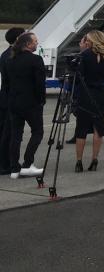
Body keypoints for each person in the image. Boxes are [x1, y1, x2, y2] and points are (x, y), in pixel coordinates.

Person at [5, 32, 45, 179]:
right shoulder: (35, 60)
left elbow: (7, 84)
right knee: (37, 132)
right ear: (28, 44)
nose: (37, 43)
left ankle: (14, 168)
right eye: (35, 41)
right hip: (31, 103)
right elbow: (40, 84)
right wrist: (41, 100)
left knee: (16, 135)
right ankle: (28, 164)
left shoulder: (10, 60)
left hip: (14, 102)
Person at [74, 30, 104, 173]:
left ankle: (79, 161)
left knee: (81, 128)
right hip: (100, 93)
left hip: (86, 93)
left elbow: (79, 76)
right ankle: (94, 159)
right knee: (99, 127)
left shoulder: (84, 55)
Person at [0, 27, 24, 175]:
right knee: (8, 133)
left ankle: (6, 162)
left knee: (6, 132)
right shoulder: (12, 55)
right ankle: (5, 164)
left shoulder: (6, 54)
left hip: (5, 97)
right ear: (17, 39)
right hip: (10, 99)